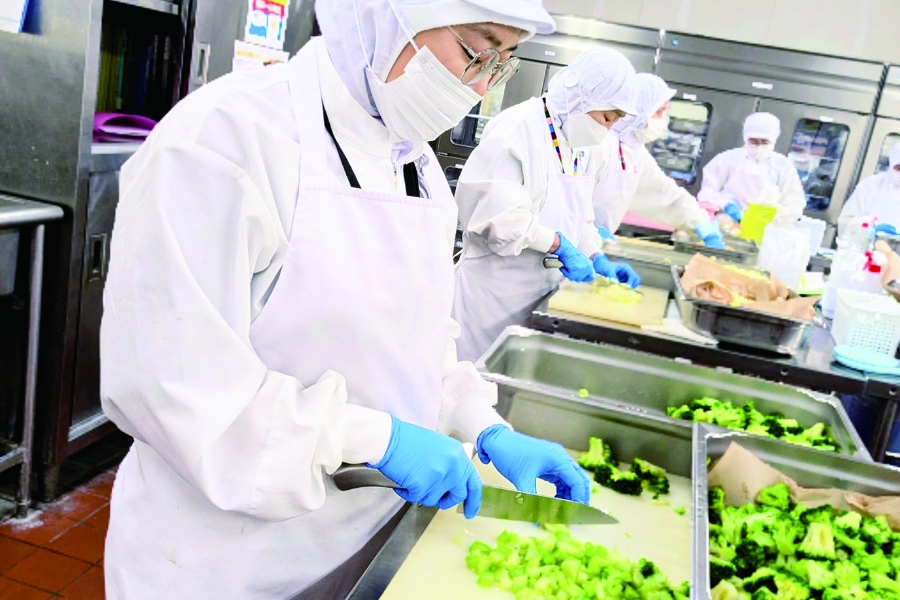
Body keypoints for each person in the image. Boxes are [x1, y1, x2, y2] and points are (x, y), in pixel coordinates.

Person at [99, 1, 592, 598]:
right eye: (475, 51)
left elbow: (416, 341)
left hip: (362, 542)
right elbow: (173, 388)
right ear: (386, 14)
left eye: (503, 63)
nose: (482, 86)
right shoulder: (224, 140)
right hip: (221, 563)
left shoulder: (415, 166)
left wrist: (481, 424)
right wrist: (373, 440)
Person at [451, 48, 642, 363]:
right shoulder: (517, 129)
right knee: (468, 379)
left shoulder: (588, 147)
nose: (607, 129)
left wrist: (594, 255)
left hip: (541, 299)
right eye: (606, 117)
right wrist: (558, 245)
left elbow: (580, 218)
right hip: (490, 299)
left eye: (615, 122)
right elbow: (500, 221)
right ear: (581, 97)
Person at [592, 73, 725, 249]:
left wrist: (702, 224)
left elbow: (666, 195)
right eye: (660, 111)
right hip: (567, 241)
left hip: (591, 246)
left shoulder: (636, 154)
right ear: (637, 112)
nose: (664, 120)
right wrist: (589, 230)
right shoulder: (598, 144)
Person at [697, 112, 806, 225]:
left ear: (774, 140)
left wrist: (771, 215)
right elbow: (706, 193)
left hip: (765, 228)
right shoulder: (727, 159)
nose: (759, 146)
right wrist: (726, 205)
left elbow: (795, 203)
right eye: (753, 141)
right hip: (725, 223)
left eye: (765, 142)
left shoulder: (783, 166)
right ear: (745, 138)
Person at [839, 142, 900, 237]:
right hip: (865, 245)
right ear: (892, 163)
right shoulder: (870, 185)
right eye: (899, 168)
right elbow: (845, 223)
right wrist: (871, 227)